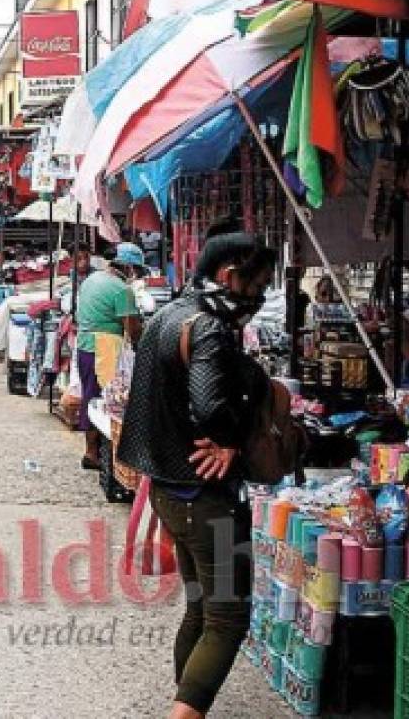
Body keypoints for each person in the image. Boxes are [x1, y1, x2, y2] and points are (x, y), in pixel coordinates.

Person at [117, 231, 278, 719]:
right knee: (227, 617)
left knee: (201, 608)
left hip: (170, 489)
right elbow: (209, 405)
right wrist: (228, 439)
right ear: (231, 277)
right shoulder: (207, 327)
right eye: (260, 284)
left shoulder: (168, 314)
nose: (261, 295)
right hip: (205, 497)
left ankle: (186, 702)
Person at [75, 243, 145, 470]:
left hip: (85, 345)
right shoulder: (121, 290)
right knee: (111, 399)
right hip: (104, 348)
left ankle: (92, 450)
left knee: (89, 395)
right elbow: (133, 329)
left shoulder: (91, 281)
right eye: (136, 269)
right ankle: (99, 452)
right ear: (128, 267)